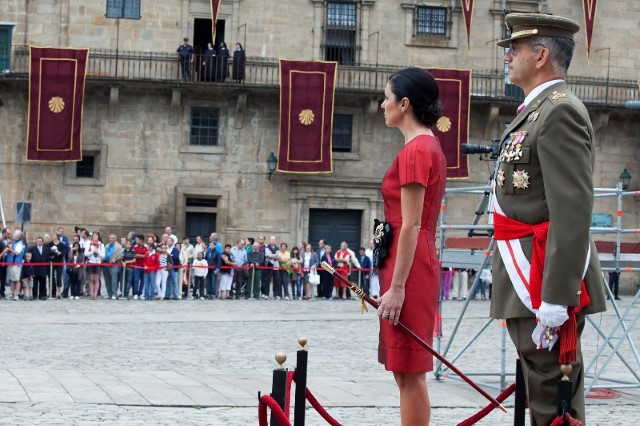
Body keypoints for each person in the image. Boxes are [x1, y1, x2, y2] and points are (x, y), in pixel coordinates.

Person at [490, 13, 606, 425]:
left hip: (541, 277)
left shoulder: (560, 112)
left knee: (551, 398)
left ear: (540, 56)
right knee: (542, 391)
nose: (507, 56)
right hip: (526, 274)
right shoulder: (535, 110)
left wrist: (555, 297)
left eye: (514, 49)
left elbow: (571, 211)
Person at [375, 66, 447, 425]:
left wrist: (397, 287)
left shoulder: (418, 150)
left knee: (410, 370)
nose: (382, 105)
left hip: (411, 266)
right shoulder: (421, 145)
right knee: (402, 370)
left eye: (386, 98)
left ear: (404, 104)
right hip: (408, 261)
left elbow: (412, 225)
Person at [85, 232, 105, 300]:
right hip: (91, 262)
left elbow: (103, 256)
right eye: (94, 235)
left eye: (96, 235)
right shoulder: (89, 243)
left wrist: (98, 252)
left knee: (96, 279)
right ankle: (91, 294)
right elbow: (86, 253)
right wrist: (92, 252)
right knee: (91, 279)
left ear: (98, 236)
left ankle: (95, 294)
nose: (95, 236)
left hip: (98, 262)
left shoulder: (101, 245)